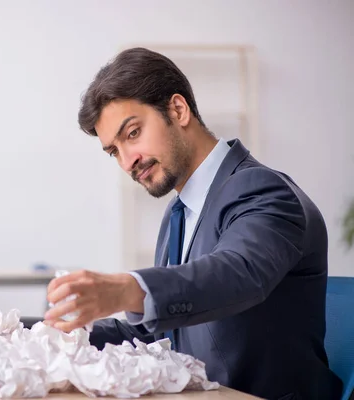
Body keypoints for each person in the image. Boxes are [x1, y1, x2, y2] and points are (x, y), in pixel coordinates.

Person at [43, 47, 343, 400]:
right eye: (114, 151)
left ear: (178, 110)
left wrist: (127, 288)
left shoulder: (264, 191)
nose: (127, 161)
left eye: (133, 133)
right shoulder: (178, 215)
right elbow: (162, 336)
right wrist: (48, 333)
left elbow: (236, 272)